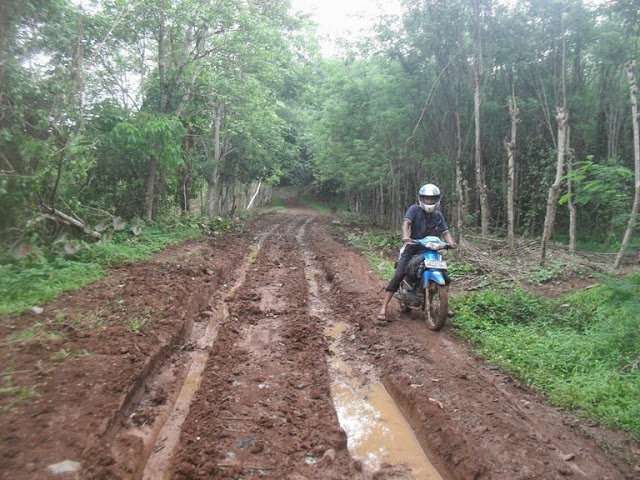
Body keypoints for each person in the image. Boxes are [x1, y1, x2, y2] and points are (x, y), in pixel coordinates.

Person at [377, 183, 457, 322]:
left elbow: (445, 232)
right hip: (413, 248)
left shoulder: (438, 215)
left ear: (437, 200)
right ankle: (383, 308)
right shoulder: (414, 209)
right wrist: (406, 236)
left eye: (432, 199)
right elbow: (406, 223)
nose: (429, 201)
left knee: (445, 276)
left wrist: (451, 243)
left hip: (431, 250)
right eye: (426, 198)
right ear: (421, 198)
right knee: (399, 274)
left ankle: (444, 304)